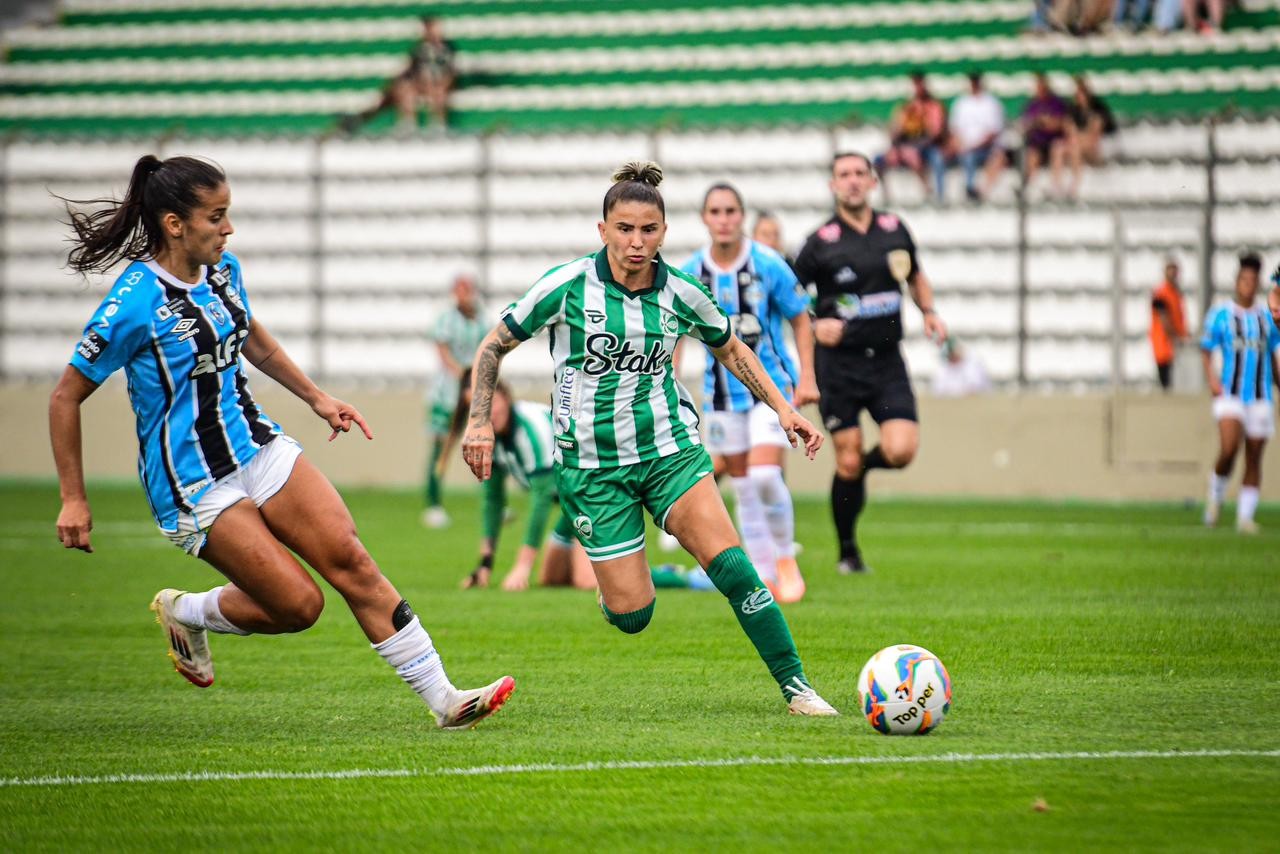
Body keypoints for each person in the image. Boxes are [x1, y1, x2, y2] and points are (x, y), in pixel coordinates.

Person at [49, 154, 513, 729]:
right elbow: (65, 396)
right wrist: (74, 496)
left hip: (257, 445)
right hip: (193, 482)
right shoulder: (134, 303)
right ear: (175, 224)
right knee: (300, 606)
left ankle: (445, 700)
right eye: (216, 217)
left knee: (351, 559)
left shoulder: (224, 271)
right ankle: (186, 609)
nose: (229, 229)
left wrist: (317, 397)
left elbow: (254, 341)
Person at [460, 161, 837, 716]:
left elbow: (731, 348)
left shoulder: (683, 291)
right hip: (592, 470)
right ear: (604, 230)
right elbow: (493, 345)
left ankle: (797, 687)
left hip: (669, 454)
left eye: (649, 230)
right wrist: (477, 422)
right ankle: (618, 590)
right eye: (625, 229)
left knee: (732, 566)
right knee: (633, 616)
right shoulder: (566, 286)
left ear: (664, 232)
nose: (637, 242)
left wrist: (783, 410)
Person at [793, 152, 948, 575]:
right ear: (833, 185)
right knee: (845, 458)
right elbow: (788, 292)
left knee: (901, 451)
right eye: (844, 174)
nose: (853, 181)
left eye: (860, 173)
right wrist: (811, 321)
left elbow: (915, 275)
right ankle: (848, 550)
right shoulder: (819, 242)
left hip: (885, 361)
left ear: (873, 181)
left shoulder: (893, 229)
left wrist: (929, 311)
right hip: (837, 366)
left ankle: (859, 468)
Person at [682, 183, 818, 603]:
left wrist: (808, 377)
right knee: (742, 486)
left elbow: (800, 318)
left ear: (742, 217)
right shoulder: (690, 272)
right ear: (705, 218)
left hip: (771, 390)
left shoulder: (767, 264)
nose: (723, 219)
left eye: (731, 211)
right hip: (720, 396)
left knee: (763, 476)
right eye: (715, 212)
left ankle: (785, 560)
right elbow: (674, 334)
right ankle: (763, 571)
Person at [444, 369, 594, 591]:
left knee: (588, 581)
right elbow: (493, 500)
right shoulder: (488, 437)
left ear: (505, 396)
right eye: (476, 410)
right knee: (552, 580)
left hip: (594, 496)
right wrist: (485, 564)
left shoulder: (531, 428)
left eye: (490, 402)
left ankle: (659, 575)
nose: (487, 413)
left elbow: (542, 498)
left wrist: (523, 566)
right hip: (572, 508)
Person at [1201, 254, 1277, 534]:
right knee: (1229, 447)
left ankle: (1245, 517)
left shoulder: (1267, 317)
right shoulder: (1221, 314)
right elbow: (1206, 349)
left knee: (1254, 456)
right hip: (1230, 394)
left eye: (1253, 280)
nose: (1248, 284)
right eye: (1244, 279)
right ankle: (1215, 497)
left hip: (1260, 395)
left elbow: (1272, 355)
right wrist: (1211, 379)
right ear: (1237, 281)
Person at [423, 272, 487, 528]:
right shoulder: (446, 319)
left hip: (474, 392)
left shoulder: (483, 319)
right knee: (442, 448)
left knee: (484, 445)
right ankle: (434, 503)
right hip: (447, 394)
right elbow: (443, 352)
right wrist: (462, 373)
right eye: (458, 289)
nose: (462, 294)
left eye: (466, 288)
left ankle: (493, 502)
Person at [340, 15, 457, 135]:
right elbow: (412, 70)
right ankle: (408, 123)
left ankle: (437, 123)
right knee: (404, 89)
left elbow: (450, 73)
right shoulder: (419, 48)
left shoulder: (446, 48)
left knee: (437, 91)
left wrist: (437, 84)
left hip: (439, 84)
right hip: (421, 83)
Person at [875, 72, 949, 202]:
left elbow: (935, 132)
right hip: (906, 145)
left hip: (927, 146)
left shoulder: (934, 106)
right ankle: (885, 195)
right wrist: (898, 143)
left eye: (919, 84)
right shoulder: (905, 108)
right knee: (878, 160)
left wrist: (916, 145)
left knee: (935, 159)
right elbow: (895, 131)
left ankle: (934, 193)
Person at [947, 71, 1008, 202]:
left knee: (997, 157)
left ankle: (981, 191)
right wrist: (960, 144)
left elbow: (993, 132)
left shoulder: (991, 103)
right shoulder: (961, 103)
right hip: (965, 148)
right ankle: (969, 190)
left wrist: (974, 146)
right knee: (965, 157)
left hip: (987, 148)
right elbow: (955, 130)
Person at [1021, 72, 1071, 199]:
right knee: (1032, 153)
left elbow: (1060, 123)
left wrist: (1042, 123)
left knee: (1057, 149)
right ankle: (1030, 187)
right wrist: (1040, 123)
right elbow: (1026, 124)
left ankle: (1056, 186)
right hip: (1038, 142)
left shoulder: (1057, 103)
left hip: (1054, 141)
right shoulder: (1032, 104)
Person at [1066, 74, 1116, 196]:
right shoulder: (1074, 109)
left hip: (1101, 145)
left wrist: (1079, 138)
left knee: (1076, 147)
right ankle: (1060, 187)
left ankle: (1075, 186)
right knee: (1060, 148)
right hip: (1081, 145)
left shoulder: (1098, 108)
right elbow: (1069, 129)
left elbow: (1096, 134)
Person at [1151, 259, 1189, 391]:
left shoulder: (1176, 293)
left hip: (1173, 345)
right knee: (1166, 383)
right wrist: (1175, 337)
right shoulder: (1161, 293)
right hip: (1164, 344)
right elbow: (1163, 318)